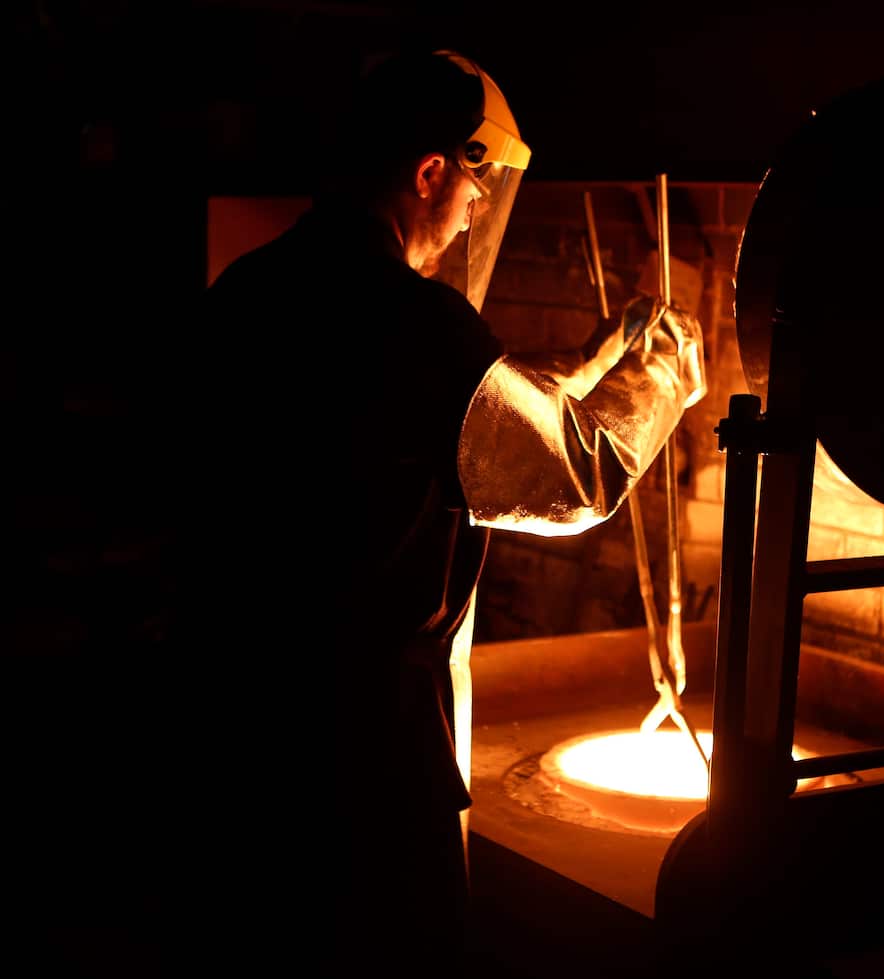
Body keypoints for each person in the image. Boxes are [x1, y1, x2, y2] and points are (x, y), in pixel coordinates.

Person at [164, 45, 706, 977]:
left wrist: (584, 368)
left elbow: (434, 430)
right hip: (363, 759)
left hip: (235, 733)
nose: (473, 217)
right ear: (429, 171)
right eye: (475, 191)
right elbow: (574, 472)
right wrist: (663, 378)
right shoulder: (416, 323)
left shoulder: (245, 293)